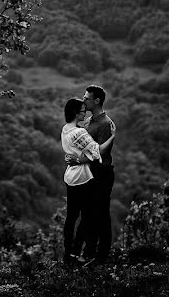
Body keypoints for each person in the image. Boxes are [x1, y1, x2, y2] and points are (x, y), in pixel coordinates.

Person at [61, 96, 115, 266]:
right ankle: (82, 253)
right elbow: (97, 153)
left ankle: (68, 253)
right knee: (87, 216)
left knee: (71, 217)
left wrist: (76, 157)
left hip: (70, 176)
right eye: (82, 111)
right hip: (82, 178)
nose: (85, 113)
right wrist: (112, 137)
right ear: (76, 113)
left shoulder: (66, 129)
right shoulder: (80, 132)